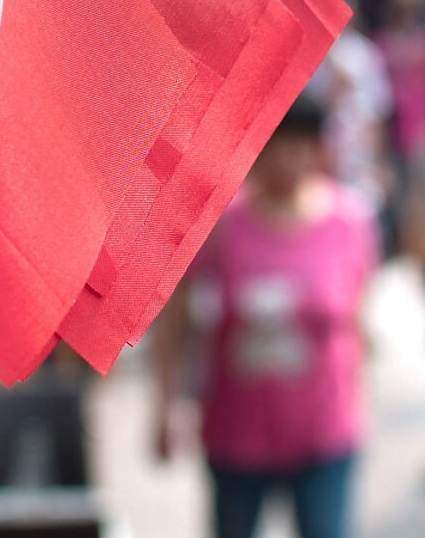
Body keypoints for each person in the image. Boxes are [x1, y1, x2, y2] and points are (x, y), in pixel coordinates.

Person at [154, 94, 379, 538]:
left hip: (324, 432)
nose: (287, 160)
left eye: (299, 146)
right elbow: (176, 318)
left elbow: (358, 319)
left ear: (318, 149)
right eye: (276, 146)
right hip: (237, 434)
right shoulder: (220, 224)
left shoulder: (350, 221)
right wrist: (166, 405)